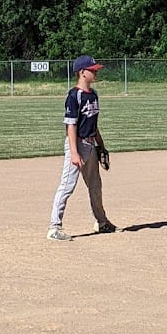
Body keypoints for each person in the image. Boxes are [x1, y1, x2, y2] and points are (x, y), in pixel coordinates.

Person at [47, 55, 117, 241]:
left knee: (95, 185)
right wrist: (74, 153)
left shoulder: (93, 95)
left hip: (90, 144)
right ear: (81, 72)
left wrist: (101, 146)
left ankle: (102, 222)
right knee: (67, 186)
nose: (96, 72)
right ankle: (54, 227)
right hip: (76, 144)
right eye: (92, 69)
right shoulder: (74, 95)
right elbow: (71, 126)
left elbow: (94, 123)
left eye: (95, 69)